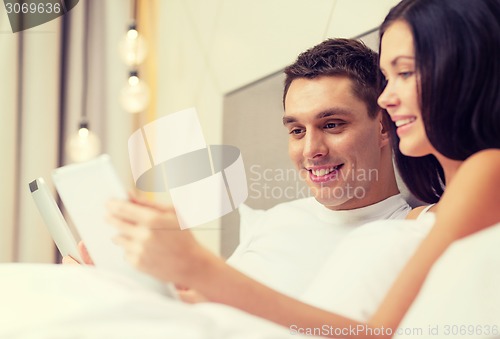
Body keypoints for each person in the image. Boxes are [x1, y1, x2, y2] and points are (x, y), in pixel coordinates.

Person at [107, 0, 500, 336]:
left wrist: (202, 268)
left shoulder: (475, 179)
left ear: (458, 71)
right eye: (296, 129)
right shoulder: (422, 215)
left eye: (405, 72)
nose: (387, 96)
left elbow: (376, 333)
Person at [68, 38, 413, 301]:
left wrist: (199, 269)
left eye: (333, 124)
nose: (311, 150)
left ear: (384, 126)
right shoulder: (275, 220)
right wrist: (122, 284)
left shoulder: (411, 234)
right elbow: (200, 304)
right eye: (296, 130)